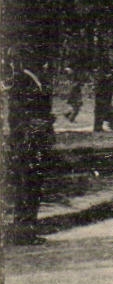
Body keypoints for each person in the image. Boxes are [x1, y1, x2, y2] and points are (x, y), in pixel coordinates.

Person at [5, 61, 55, 243]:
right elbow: (19, 114)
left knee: (31, 186)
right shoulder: (23, 79)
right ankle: (23, 232)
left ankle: (26, 231)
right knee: (27, 186)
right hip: (26, 143)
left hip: (32, 141)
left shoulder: (33, 78)